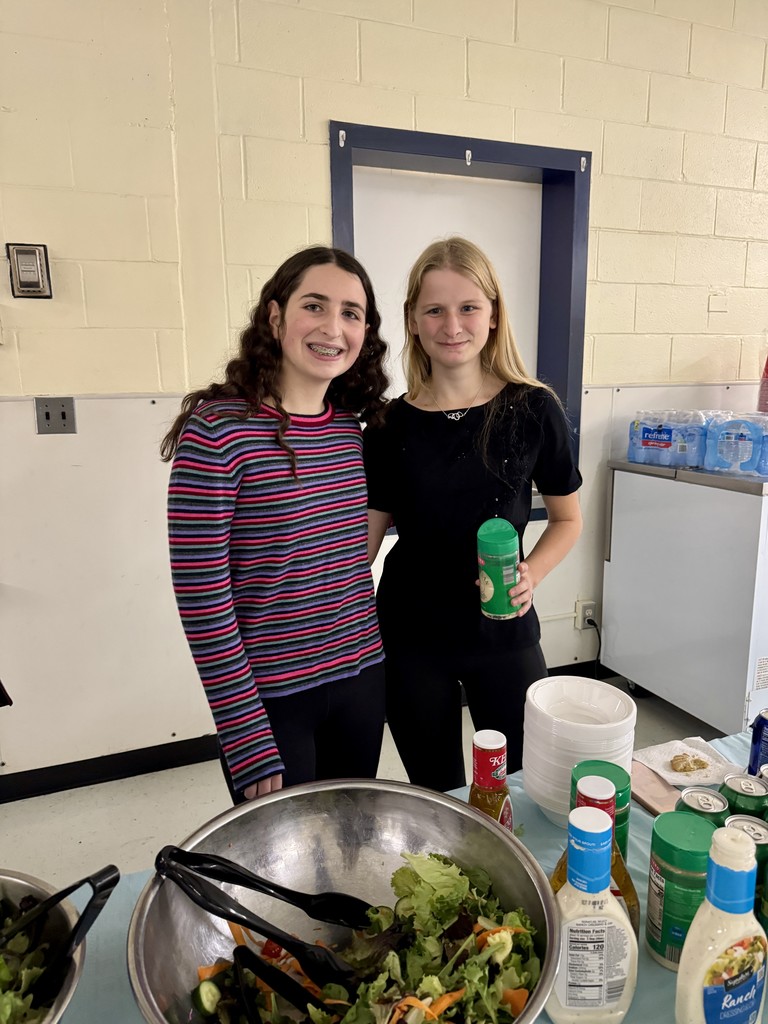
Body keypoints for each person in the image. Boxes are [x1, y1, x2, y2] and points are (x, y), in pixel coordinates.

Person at [162, 245, 389, 803]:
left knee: (350, 845)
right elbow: (202, 595)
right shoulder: (217, 431)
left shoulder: (350, 432)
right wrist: (241, 726)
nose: (333, 327)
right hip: (271, 700)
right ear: (275, 315)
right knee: (281, 874)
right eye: (315, 305)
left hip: (361, 676)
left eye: (351, 313)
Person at [364, 236, 583, 792]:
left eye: (468, 307)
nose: (451, 324)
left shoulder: (533, 408)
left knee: (523, 786)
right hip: (411, 635)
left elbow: (567, 519)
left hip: (502, 629)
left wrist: (532, 571)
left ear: (492, 315)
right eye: (434, 309)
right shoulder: (390, 427)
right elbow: (361, 547)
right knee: (439, 795)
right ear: (412, 321)